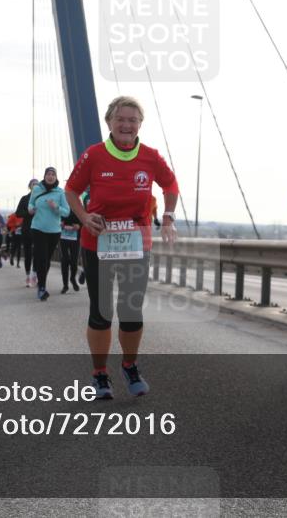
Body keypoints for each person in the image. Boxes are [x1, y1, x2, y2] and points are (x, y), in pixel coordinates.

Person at [65, 96, 179, 398]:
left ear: (140, 124)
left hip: (136, 242)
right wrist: (84, 216)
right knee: (102, 311)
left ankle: (129, 366)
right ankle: (100, 374)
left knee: (131, 310)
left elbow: (171, 185)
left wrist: (167, 217)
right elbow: (72, 190)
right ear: (109, 122)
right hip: (97, 241)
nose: (126, 125)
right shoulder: (94, 155)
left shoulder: (151, 157)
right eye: (121, 119)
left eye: (133, 120)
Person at [29, 168, 69, 301]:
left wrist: (56, 207)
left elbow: (66, 212)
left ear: (56, 177)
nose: (50, 177)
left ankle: (41, 281)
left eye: (53, 174)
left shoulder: (60, 192)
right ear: (44, 176)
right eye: (48, 174)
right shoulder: (37, 189)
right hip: (38, 228)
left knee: (47, 260)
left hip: (54, 231)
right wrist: (30, 208)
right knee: (41, 258)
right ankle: (42, 288)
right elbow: (31, 203)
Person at [15, 179, 38, 287]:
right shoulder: (24, 199)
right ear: (29, 186)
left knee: (37, 253)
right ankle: (28, 276)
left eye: (37, 184)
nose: (35, 186)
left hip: (39, 229)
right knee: (28, 254)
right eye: (33, 184)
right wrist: (28, 213)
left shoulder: (42, 198)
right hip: (27, 229)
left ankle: (35, 274)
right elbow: (18, 213)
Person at [59, 208, 81, 294]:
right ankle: (65, 285)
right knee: (65, 260)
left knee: (74, 261)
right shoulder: (62, 208)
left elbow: (82, 221)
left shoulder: (78, 207)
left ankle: (72, 278)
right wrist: (60, 224)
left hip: (75, 238)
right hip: (63, 237)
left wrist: (79, 226)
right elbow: (56, 219)